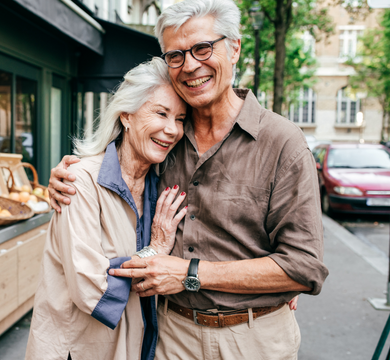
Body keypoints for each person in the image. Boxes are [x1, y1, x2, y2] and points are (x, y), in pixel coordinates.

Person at [47, 0, 328, 359]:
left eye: (202, 48)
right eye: (175, 55)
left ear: (235, 47)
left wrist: (189, 273)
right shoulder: (166, 139)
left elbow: (304, 268)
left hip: (254, 337)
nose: (190, 65)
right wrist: (67, 176)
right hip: (170, 333)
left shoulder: (282, 142)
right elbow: (114, 175)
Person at [26, 58, 189, 360]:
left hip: (135, 345)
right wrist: (155, 250)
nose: (172, 130)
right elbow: (92, 286)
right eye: (161, 113)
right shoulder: (80, 182)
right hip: (81, 350)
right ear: (126, 116)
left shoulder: (161, 183)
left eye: (180, 119)